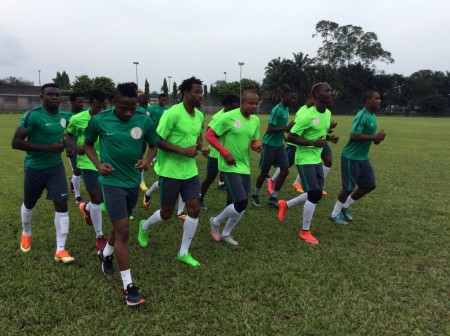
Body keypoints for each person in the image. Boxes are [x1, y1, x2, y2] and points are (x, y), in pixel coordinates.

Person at [84, 83, 159, 306]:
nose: (128, 113)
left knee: (120, 224)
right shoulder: (100, 120)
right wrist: (97, 164)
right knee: (124, 231)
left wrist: (147, 160)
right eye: (123, 108)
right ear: (114, 102)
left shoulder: (143, 119)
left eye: (132, 108)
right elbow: (87, 144)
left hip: (133, 181)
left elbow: (154, 144)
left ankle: (105, 254)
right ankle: (129, 287)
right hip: (111, 181)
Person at [138, 77, 208, 267]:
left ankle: (183, 252)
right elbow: (156, 139)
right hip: (170, 170)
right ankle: (144, 226)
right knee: (166, 213)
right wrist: (182, 151)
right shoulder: (172, 114)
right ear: (185, 93)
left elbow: (196, 134)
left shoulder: (199, 115)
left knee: (194, 207)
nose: (200, 95)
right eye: (197, 92)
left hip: (190, 171)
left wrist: (201, 147)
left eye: (201, 92)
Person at [11, 83, 74, 263]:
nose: (55, 97)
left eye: (57, 95)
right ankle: (26, 232)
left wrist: (69, 146)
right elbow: (16, 142)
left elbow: (67, 134)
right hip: (35, 167)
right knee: (30, 203)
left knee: (61, 203)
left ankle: (60, 249)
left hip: (55, 167)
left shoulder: (64, 116)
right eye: (50, 94)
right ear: (42, 96)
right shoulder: (33, 115)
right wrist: (48, 148)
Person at [278, 83, 338, 245]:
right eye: (327, 90)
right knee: (314, 194)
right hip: (304, 159)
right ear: (317, 96)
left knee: (316, 193)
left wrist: (330, 138)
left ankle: (286, 204)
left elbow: (321, 132)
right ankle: (305, 232)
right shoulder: (306, 116)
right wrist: (312, 143)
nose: (330, 93)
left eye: (330, 90)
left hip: (316, 159)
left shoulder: (327, 114)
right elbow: (291, 137)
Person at [206, 90, 262, 246]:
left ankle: (226, 233)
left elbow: (253, 141)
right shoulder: (227, 117)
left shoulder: (255, 120)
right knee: (241, 201)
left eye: (256, 103)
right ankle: (215, 222)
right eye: (251, 103)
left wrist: (257, 146)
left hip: (245, 167)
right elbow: (209, 136)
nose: (254, 106)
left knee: (242, 205)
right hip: (229, 166)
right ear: (242, 103)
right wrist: (225, 153)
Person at [330, 90, 386, 224]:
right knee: (348, 188)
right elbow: (354, 135)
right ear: (368, 100)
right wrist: (374, 137)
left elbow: (369, 138)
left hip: (362, 158)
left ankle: (345, 205)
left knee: (370, 185)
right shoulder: (362, 115)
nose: (379, 101)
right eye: (376, 98)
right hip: (351, 157)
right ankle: (334, 214)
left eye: (379, 98)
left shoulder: (373, 116)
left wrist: (377, 139)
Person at [66, 89, 107, 251]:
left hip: (106, 162)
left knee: (102, 198)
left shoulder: (108, 118)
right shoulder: (78, 119)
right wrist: (75, 147)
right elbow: (68, 134)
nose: (101, 110)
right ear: (90, 104)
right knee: (96, 197)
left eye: (104, 107)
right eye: (97, 107)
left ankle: (86, 207)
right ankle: (100, 236)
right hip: (88, 162)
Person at [251, 88, 295, 208]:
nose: (293, 100)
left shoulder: (286, 109)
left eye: (293, 98)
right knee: (265, 172)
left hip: (279, 145)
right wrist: (285, 128)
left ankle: (273, 197)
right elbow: (270, 129)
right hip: (269, 144)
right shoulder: (277, 109)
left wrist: (285, 137)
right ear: (283, 97)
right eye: (290, 98)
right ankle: (255, 195)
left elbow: (280, 128)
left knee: (285, 171)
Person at [199, 94, 240, 210]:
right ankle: (200, 198)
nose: (235, 108)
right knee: (210, 178)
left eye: (237, 106)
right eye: (233, 106)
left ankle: (229, 204)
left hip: (230, 154)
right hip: (216, 154)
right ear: (226, 105)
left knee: (231, 180)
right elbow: (208, 133)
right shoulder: (218, 117)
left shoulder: (234, 116)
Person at [269, 94, 315, 194]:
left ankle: (297, 183)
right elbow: (295, 127)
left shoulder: (311, 110)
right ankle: (272, 180)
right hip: (294, 143)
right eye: (315, 99)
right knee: (286, 164)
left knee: (305, 161)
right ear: (310, 98)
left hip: (302, 142)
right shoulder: (303, 111)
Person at [67, 92, 85, 203]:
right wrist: (69, 147)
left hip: (86, 147)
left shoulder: (86, 114)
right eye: (79, 102)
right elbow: (66, 133)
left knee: (84, 171)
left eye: (83, 101)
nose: (82, 104)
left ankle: (72, 181)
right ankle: (77, 195)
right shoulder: (67, 116)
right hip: (73, 147)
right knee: (77, 170)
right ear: (72, 102)